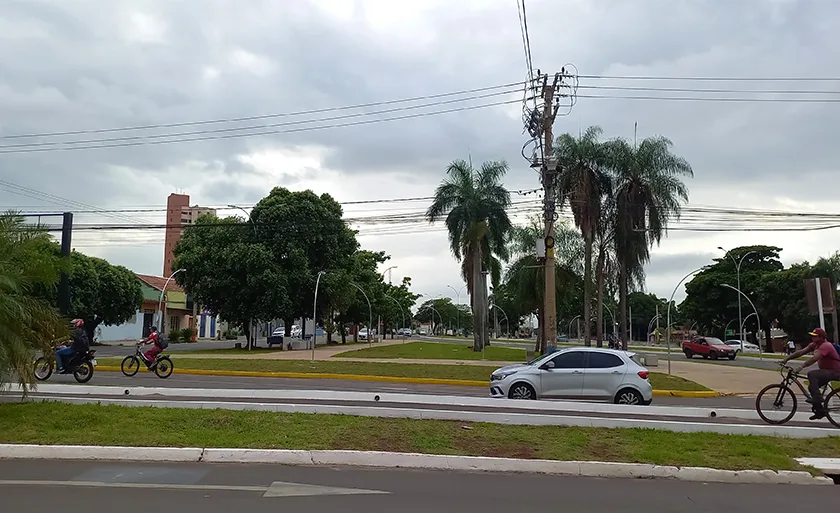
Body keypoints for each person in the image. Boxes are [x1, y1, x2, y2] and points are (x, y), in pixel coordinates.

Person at [782, 327, 840, 420]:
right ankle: (820, 411)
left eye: (815, 336)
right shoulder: (815, 344)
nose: (812, 338)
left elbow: (815, 358)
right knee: (812, 387)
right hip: (827, 371)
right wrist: (787, 359)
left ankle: (818, 399)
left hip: (835, 372)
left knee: (812, 374)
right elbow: (801, 352)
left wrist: (802, 366)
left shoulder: (826, 346)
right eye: (812, 336)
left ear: (821, 337)